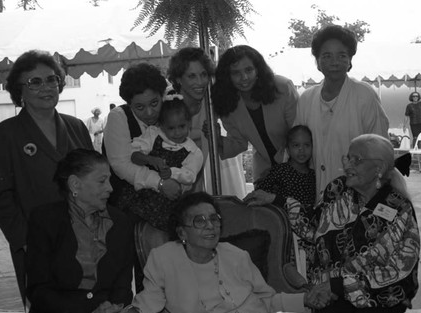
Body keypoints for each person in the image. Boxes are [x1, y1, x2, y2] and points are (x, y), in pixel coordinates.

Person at [121, 192, 334, 313]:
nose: (210, 226)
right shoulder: (163, 259)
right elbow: (145, 308)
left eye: (214, 219)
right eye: (199, 220)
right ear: (181, 232)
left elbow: (267, 300)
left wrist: (305, 299)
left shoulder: (236, 255)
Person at [0, 50, 93, 305]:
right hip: (37, 245)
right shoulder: (5, 134)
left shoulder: (76, 126)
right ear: (19, 91)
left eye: (51, 79)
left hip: (85, 240)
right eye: (34, 82)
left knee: (89, 310)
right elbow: (3, 199)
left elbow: (96, 179)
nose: (45, 87)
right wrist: (25, 241)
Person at [283, 134, 419, 313]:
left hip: (379, 298)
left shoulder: (398, 207)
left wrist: (339, 285)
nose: (347, 165)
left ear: (378, 169)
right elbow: (313, 224)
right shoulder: (337, 191)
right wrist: (278, 201)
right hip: (332, 293)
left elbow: (400, 270)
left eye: (357, 160)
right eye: (347, 157)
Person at [25, 149, 134, 313]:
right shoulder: (44, 221)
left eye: (109, 180)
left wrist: (113, 311)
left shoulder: (120, 222)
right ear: (75, 184)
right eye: (102, 181)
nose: (110, 187)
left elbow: (123, 285)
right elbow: (38, 290)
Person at [294, 25, 389, 200]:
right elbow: (297, 146)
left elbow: (380, 147)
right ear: (317, 61)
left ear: (350, 60)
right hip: (315, 193)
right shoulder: (306, 99)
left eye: (342, 55)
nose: (335, 62)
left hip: (358, 193)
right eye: (327, 56)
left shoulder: (364, 95)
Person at [211, 45, 299, 185]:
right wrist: (214, 137)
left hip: (298, 165)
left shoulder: (282, 88)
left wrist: (284, 169)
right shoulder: (229, 103)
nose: (244, 77)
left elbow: (298, 132)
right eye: (236, 73)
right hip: (264, 172)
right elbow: (238, 143)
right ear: (227, 76)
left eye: (249, 70)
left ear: (258, 70)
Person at [167, 47, 246, 197]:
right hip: (168, 177)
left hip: (197, 177)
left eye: (203, 75)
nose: (200, 82)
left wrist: (217, 138)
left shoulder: (211, 102)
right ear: (178, 79)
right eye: (191, 76)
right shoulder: (167, 103)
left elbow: (238, 142)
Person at [103, 63, 182, 212]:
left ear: (162, 96)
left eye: (154, 103)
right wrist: (160, 184)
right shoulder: (119, 117)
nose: (150, 112)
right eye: (140, 107)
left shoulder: (170, 113)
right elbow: (121, 164)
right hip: (128, 203)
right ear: (129, 103)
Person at [126, 96, 204, 232]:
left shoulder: (193, 152)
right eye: (171, 128)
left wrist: (172, 173)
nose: (177, 132)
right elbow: (133, 156)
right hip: (142, 198)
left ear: (189, 123)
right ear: (161, 126)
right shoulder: (154, 135)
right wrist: (150, 160)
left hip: (170, 204)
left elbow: (190, 176)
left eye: (182, 126)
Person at [244, 125, 316, 211]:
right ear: (288, 149)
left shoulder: (314, 176)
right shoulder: (280, 171)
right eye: (296, 145)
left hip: (304, 221)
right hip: (278, 221)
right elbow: (260, 194)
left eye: (307, 145)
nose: (302, 149)